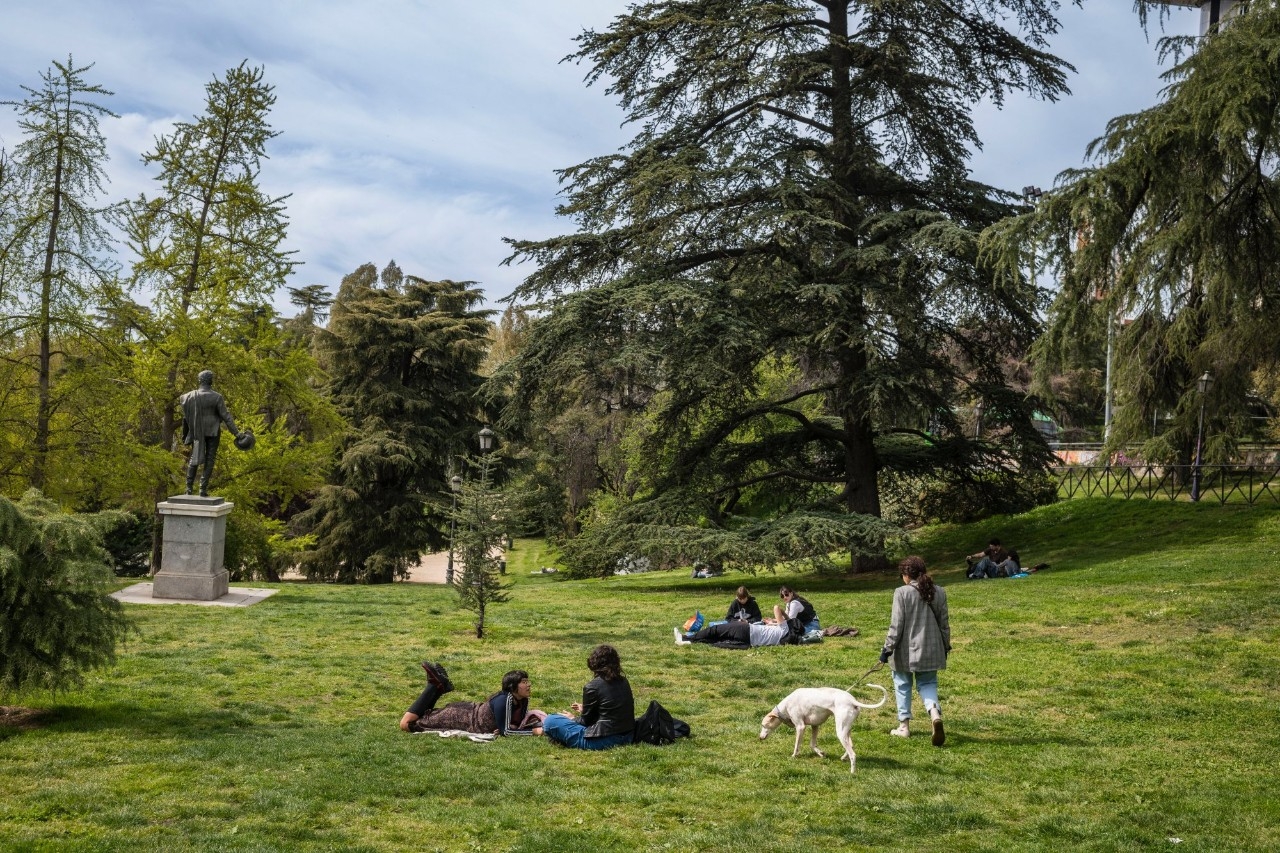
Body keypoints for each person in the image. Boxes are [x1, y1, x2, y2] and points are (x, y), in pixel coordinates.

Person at [879, 556, 950, 746]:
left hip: (905, 649)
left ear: (906, 575)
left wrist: (886, 649)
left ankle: (904, 727)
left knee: (902, 684)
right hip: (932, 647)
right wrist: (946, 646)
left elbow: (896, 626)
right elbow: (944, 625)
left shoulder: (901, 593)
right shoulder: (940, 592)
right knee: (928, 683)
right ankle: (934, 713)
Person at [399, 662, 544, 736]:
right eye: (524, 682)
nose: (528, 685)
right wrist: (534, 732)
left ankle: (438, 687)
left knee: (425, 715)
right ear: (513, 686)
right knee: (407, 724)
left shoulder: (522, 700)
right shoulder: (506, 699)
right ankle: (434, 687)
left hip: (468, 710)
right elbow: (507, 732)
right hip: (461, 717)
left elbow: (512, 725)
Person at [542, 644, 635, 750]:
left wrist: (572, 718)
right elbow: (610, 711)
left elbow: (586, 722)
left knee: (550, 720)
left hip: (604, 740)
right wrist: (585, 709)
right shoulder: (623, 681)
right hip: (628, 736)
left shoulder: (592, 686)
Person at [179, 370, 246, 497]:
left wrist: (185, 434)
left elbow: (185, 419)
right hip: (213, 432)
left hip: (196, 431)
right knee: (210, 459)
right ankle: (202, 489)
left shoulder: (188, 397)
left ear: (199, 381)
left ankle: (188, 488)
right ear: (211, 381)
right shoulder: (216, 397)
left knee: (194, 458)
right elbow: (226, 417)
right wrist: (237, 434)